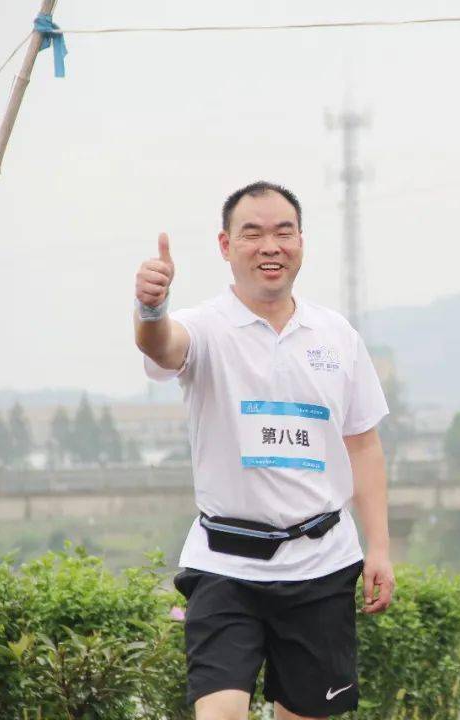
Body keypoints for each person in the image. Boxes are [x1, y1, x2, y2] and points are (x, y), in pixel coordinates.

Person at [134, 181, 394, 720]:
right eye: (252, 234)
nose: (269, 246)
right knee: (221, 711)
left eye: (283, 232)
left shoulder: (336, 336)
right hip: (226, 564)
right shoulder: (205, 327)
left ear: (301, 242)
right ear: (226, 247)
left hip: (322, 562)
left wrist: (381, 548)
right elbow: (162, 346)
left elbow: (363, 445)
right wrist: (150, 308)